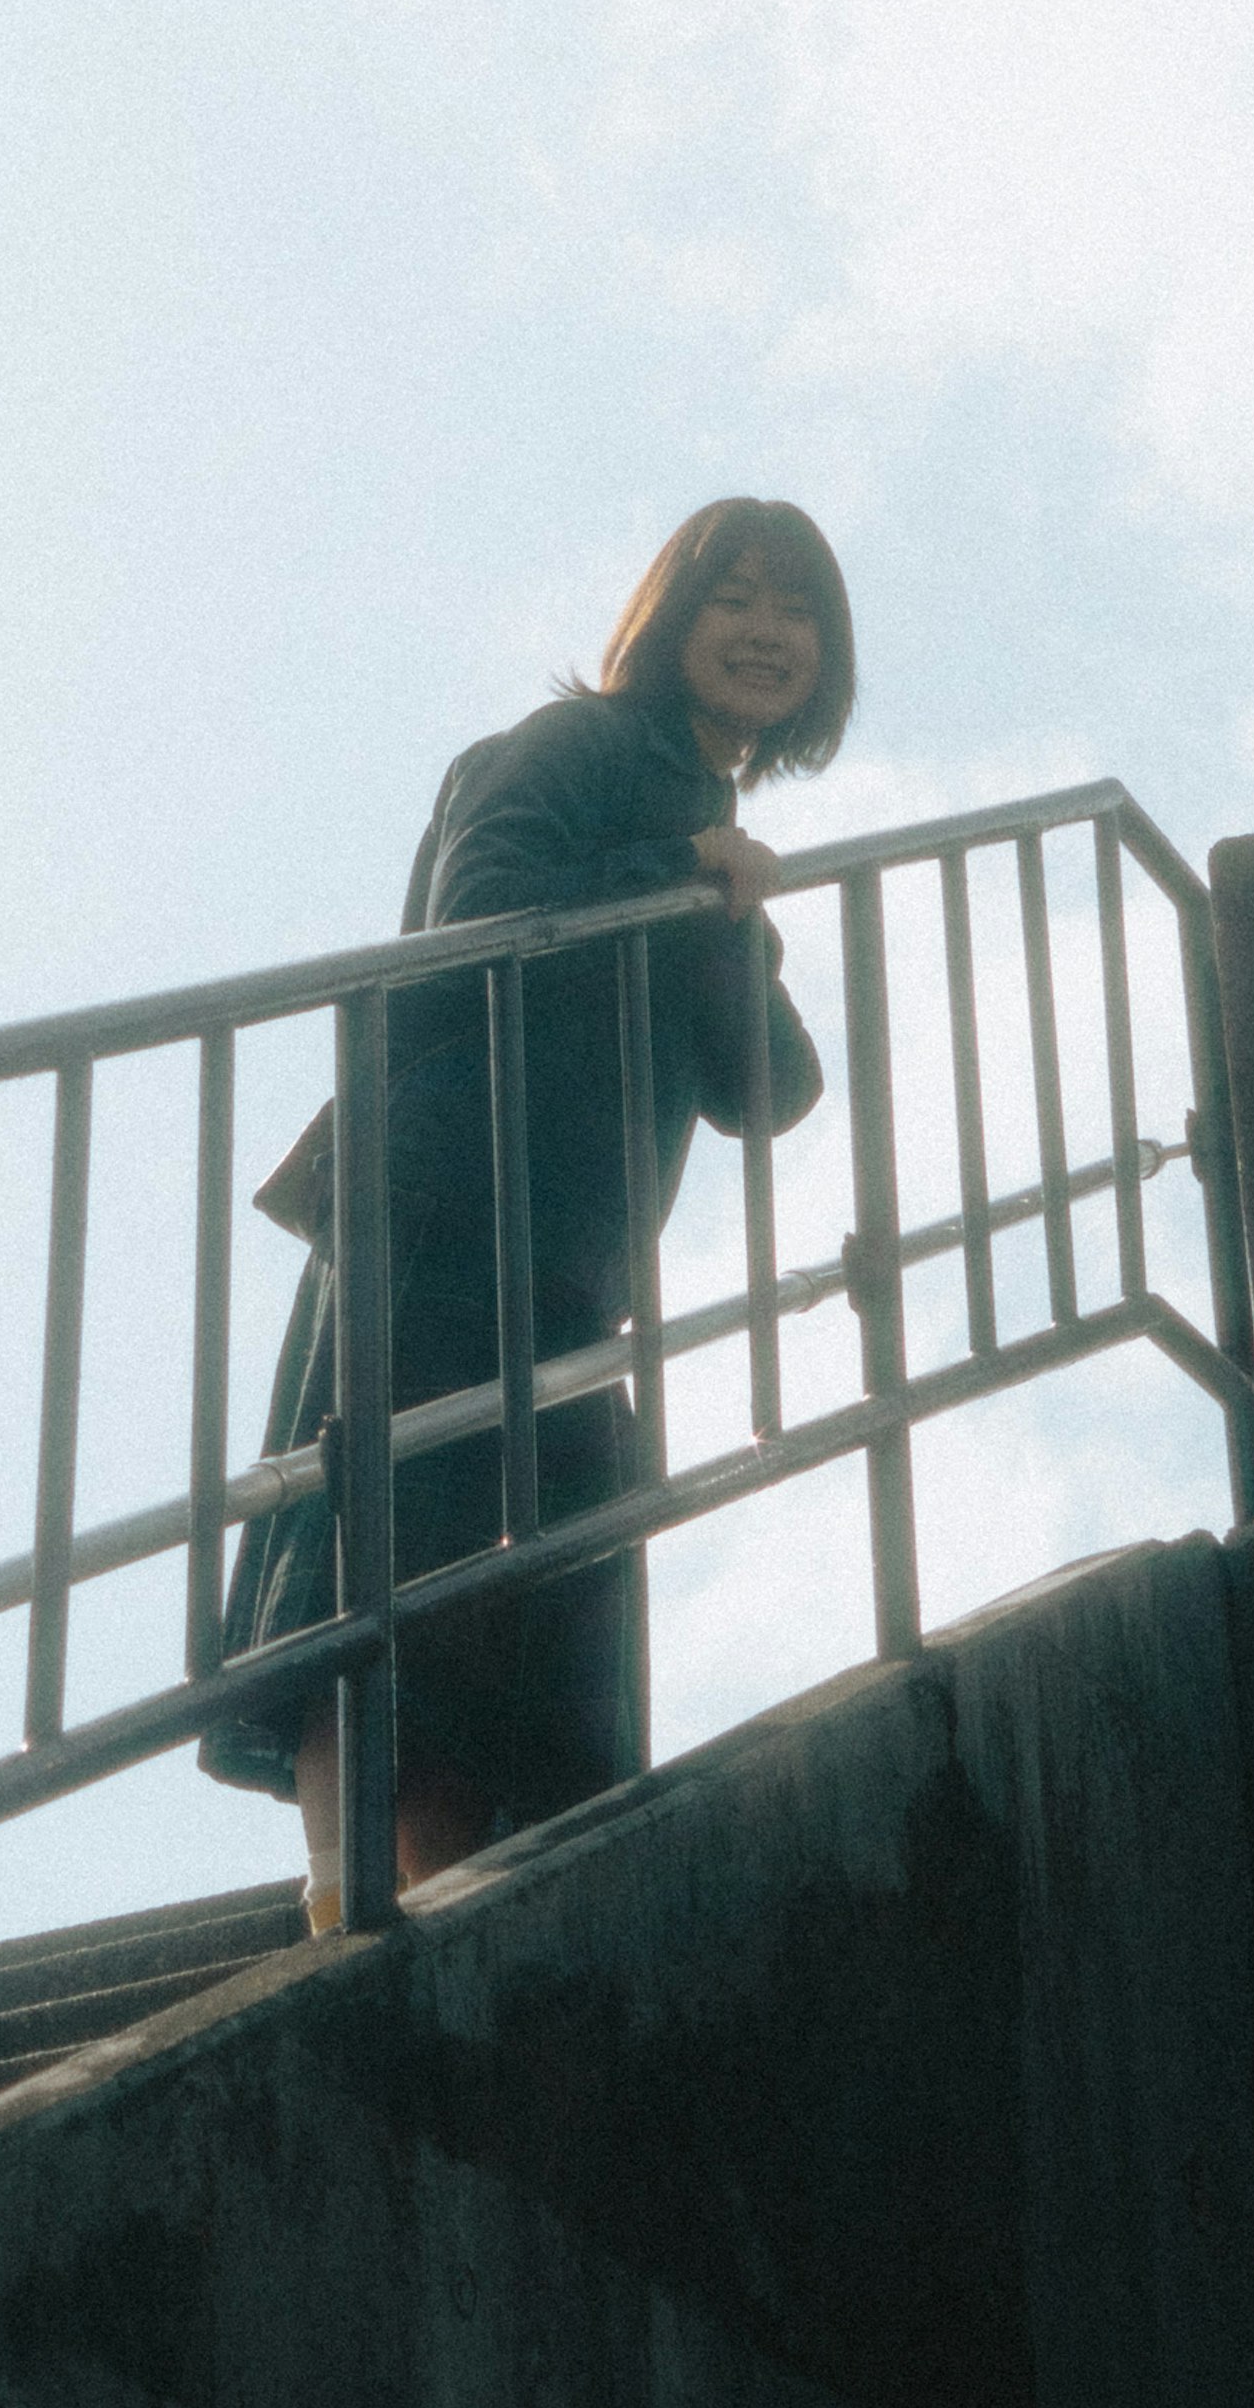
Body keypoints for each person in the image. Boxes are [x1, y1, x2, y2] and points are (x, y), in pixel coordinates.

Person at [201, 500, 853, 1916]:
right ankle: (337, 1898)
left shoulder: (703, 817)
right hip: (440, 1204)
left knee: (507, 1598)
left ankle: (445, 1904)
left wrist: (729, 914)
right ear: (670, 617)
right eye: (733, 598)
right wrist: (684, 884)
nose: (763, 633)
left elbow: (768, 1089)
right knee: (386, 1549)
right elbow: (476, 916)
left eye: (792, 611)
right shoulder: (576, 748)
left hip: (565, 1262)